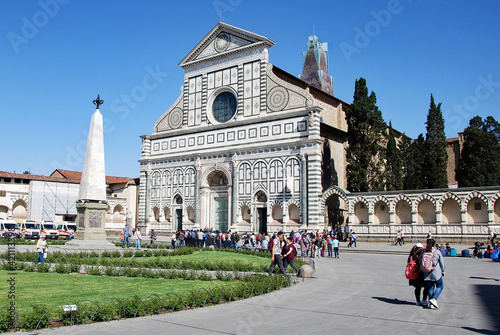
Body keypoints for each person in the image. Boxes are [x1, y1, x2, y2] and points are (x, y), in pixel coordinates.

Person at [422, 238, 445, 309]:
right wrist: (443, 271)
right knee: (440, 286)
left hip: (426, 272)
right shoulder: (437, 252)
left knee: (430, 288)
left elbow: (420, 261)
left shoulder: (424, 251)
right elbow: (442, 262)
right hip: (436, 273)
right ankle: (434, 299)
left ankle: (431, 303)